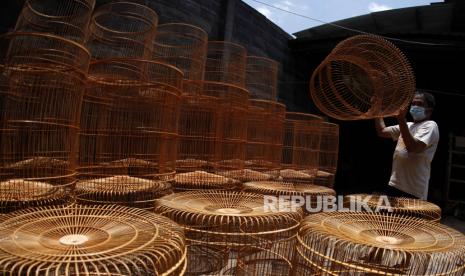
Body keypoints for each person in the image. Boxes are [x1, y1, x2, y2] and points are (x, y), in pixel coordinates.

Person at [374, 91, 439, 200]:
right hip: (394, 184)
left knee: (406, 217)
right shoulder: (408, 125)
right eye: (413, 104)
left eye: (419, 104)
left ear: (429, 110)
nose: (414, 107)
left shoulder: (431, 126)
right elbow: (382, 131)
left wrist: (401, 119)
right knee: (387, 217)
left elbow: (413, 148)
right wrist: (377, 110)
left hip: (413, 191)